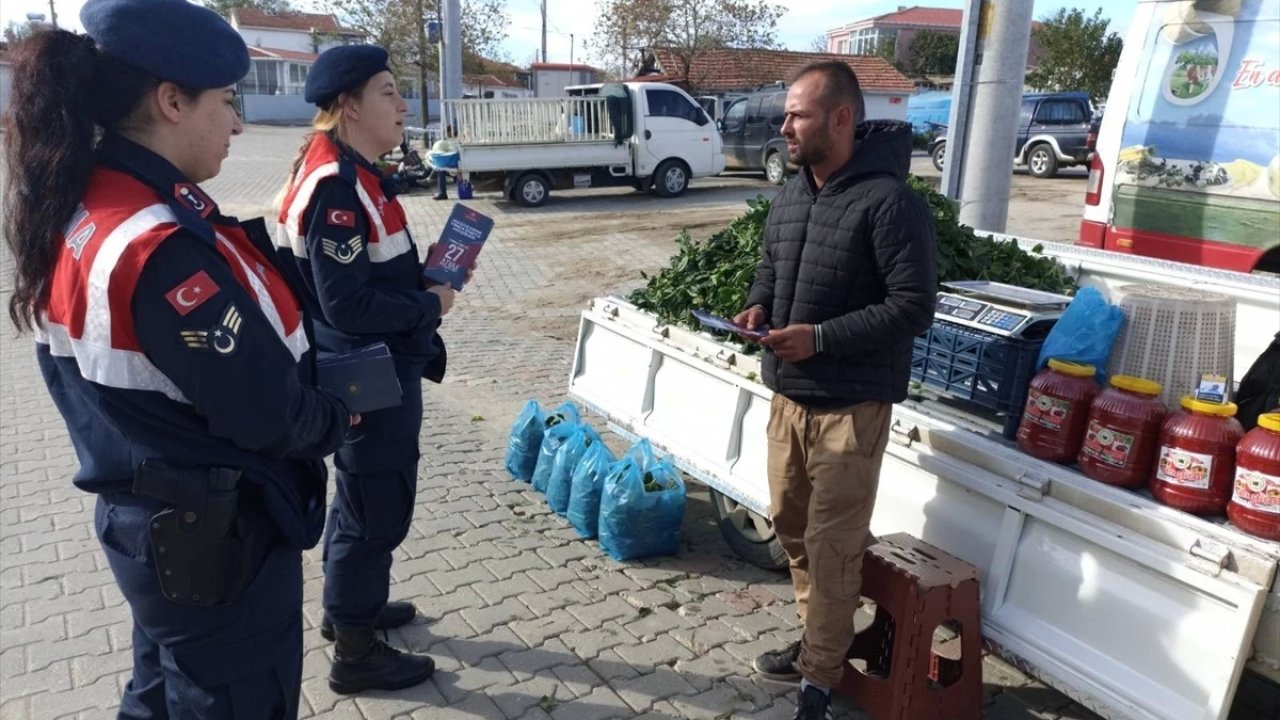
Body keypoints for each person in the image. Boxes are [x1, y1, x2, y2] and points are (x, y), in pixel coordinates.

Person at [0, 1, 355, 717]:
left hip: (159, 537)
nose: (237, 123)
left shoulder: (84, 200)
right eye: (226, 101)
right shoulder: (155, 245)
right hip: (217, 551)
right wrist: (340, 418)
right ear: (169, 101)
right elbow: (265, 411)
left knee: (161, 692)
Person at [732, 61, 937, 720]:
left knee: (834, 543)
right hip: (788, 397)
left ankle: (819, 680)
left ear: (841, 118)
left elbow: (913, 307)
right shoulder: (794, 192)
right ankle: (820, 640)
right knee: (791, 527)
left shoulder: (890, 202)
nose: (783, 126)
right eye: (786, 115)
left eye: (797, 115)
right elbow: (770, 265)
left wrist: (818, 338)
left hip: (852, 407)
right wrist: (758, 307)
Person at [276, 44, 461, 695]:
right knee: (375, 501)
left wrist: (429, 270)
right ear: (350, 106)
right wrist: (429, 301)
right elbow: (346, 303)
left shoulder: (353, 172)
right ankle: (356, 651)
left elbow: (362, 276)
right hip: (366, 371)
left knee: (361, 496)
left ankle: (349, 607)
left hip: (372, 366)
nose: (403, 104)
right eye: (389, 91)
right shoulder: (337, 187)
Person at [428, 125, 461, 200]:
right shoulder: (456, 141)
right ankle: (430, 179)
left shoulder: (450, 143)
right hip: (455, 164)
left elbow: (447, 155)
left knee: (440, 169)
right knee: (439, 167)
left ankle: (441, 192)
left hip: (454, 165)